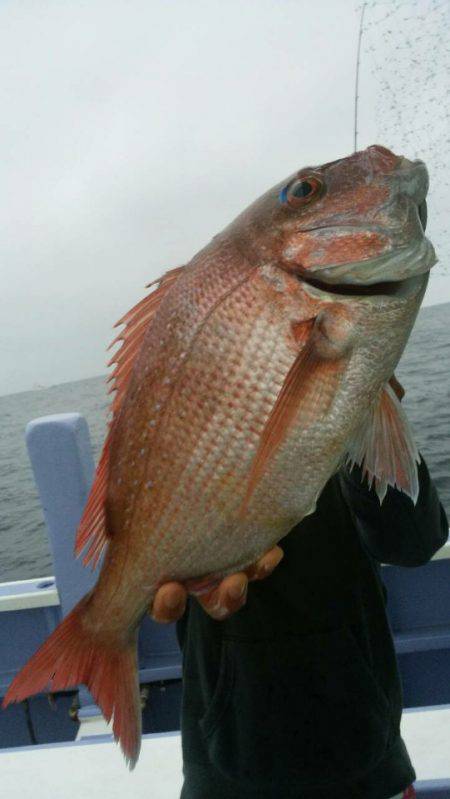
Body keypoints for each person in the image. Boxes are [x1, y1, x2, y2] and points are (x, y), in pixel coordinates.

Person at [151, 376, 449, 799]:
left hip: (366, 759)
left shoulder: (344, 394)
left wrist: (372, 417)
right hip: (223, 767)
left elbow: (415, 543)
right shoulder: (185, 428)